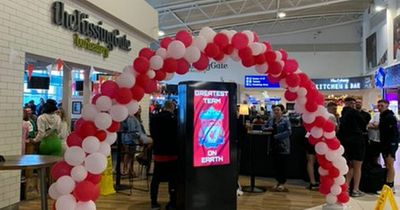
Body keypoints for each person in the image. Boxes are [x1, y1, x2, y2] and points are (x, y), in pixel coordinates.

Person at [149, 101, 178, 210]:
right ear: (172, 107)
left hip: (158, 153)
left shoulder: (155, 118)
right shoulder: (175, 119)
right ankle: (172, 202)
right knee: (172, 180)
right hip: (172, 153)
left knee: (155, 180)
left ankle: (154, 202)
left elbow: (152, 134)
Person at [338, 97, 366, 197]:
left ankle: (346, 188)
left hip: (346, 143)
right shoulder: (355, 113)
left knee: (350, 166)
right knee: (358, 167)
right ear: (351, 104)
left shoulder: (342, 115)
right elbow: (364, 124)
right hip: (357, 141)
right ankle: (355, 189)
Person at [265, 104, 291, 192]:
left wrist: (277, 136)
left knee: (282, 165)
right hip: (272, 146)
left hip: (283, 146)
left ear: (281, 111)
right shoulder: (271, 120)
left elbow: (289, 132)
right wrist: (269, 128)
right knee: (275, 165)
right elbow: (263, 127)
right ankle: (278, 181)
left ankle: (282, 183)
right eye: (274, 110)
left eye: (278, 110)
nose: (276, 112)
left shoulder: (285, 120)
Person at [120, 106, 152, 176]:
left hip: (132, 138)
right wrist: (139, 137)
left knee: (131, 154)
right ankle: (125, 169)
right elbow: (132, 131)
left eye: (140, 109)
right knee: (128, 154)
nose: (140, 110)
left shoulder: (136, 118)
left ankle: (131, 169)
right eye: (138, 109)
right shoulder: (131, 118)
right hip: (129, 139)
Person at [377, 99, 399, 190]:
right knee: (387, 164)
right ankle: (388, 183)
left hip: (390, 144)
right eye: (379, 106)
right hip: (385, 143)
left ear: (387, 106)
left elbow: (394, 132)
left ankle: (390, 185)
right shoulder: (383, 116)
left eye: (382, 105)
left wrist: (392, 144)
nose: (380, 107)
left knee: (390, 165)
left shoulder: (389, 117)